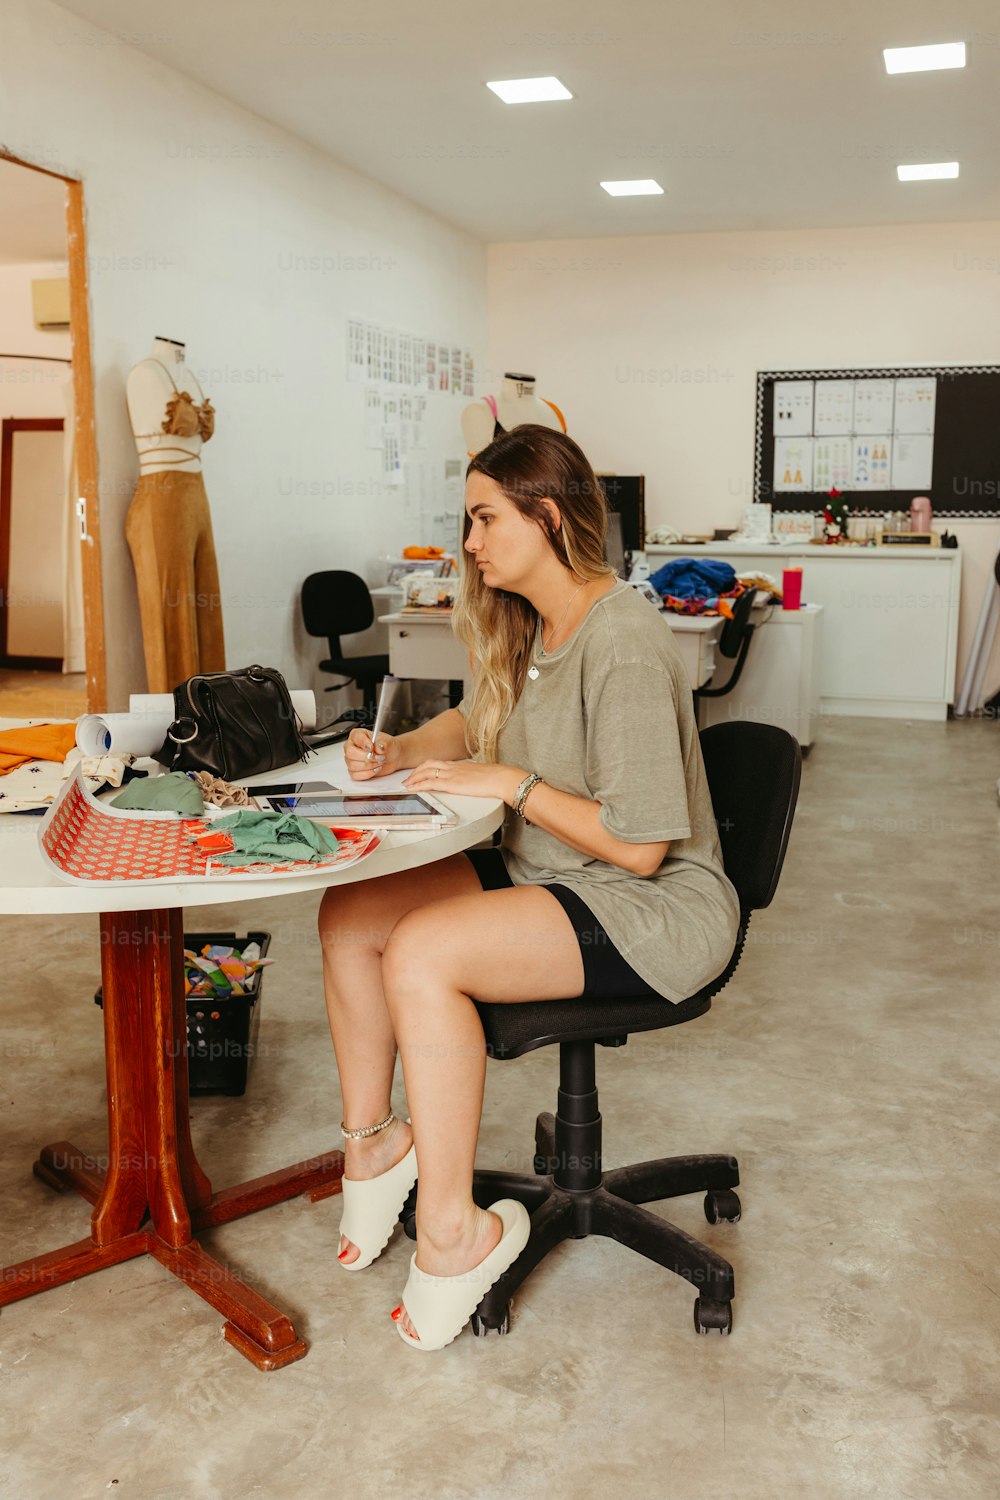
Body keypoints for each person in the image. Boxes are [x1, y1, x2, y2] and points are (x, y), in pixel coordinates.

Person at [318, 425, 740, 1351]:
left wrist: (511, 785)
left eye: (483, 518)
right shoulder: (527, 621)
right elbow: (477, 720)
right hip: (548, 867)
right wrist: (399, 751)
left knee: (424, 951)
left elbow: (640, 849)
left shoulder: (620, 637)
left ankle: (452, 1235)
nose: (469, 543)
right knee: (353, 908)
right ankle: (375, 1147)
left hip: (650, 907)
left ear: (545, 516)